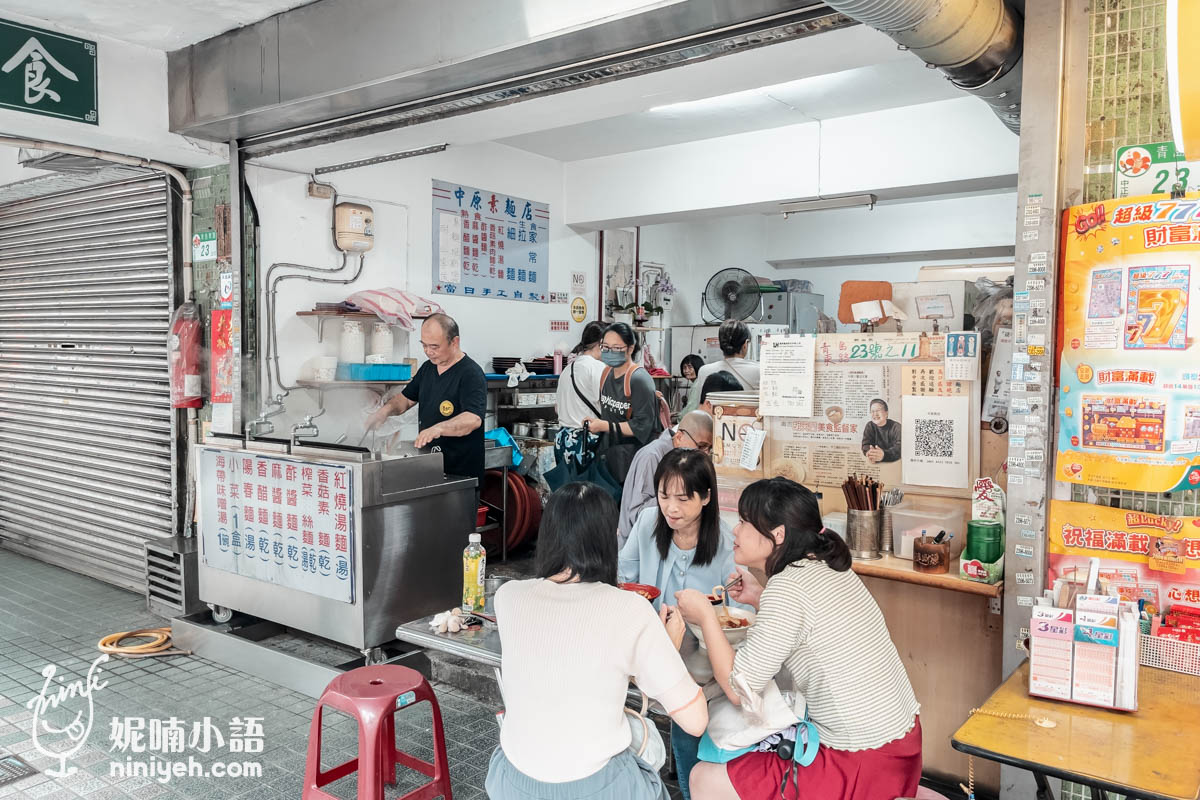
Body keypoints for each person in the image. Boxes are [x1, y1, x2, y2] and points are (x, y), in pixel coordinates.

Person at [676, 477, 921, 800]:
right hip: (903, 745)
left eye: (745, 522)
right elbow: (807, 622)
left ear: (778, 535)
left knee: (704, 777)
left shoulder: (788, 588)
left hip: (860, 760)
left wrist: (706, 617)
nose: (735, 530)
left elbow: (739, 689)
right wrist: (759, 596)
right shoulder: (829, 565)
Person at [486, 482, 709, 800]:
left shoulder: (508, 597)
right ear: (608, 540)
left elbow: (568, 652)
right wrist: (667, 645)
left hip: (512, 782)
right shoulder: (630, 609)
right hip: (596, 787)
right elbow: (696, 721)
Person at [618, 449, 741, 800]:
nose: (671, 508)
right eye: (664, 496)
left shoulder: (724, 541)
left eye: (683, 499)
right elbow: (626, 575)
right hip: (651, 644)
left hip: (703, 660)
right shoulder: (648, 522)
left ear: (706, 497)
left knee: (691, 729)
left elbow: (736, 610)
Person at [365, 313, 487, 480]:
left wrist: (438, 429)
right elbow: (405, 399)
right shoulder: (428, 368)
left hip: (460, 474)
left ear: (454, 342)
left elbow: (473, 419)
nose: (428, 352)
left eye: (435, 346)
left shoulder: (470, 374)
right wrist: (384, 412)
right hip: (429, 468)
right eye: (424, 345)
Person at [617, 410, 713, 547]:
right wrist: (675, 496)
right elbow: (637, 514)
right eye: (701, 446)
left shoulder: (677, 458)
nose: (705, 454)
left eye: (709, 449)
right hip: (637, 547)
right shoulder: (652, 457)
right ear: (679, 437)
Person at [582, 322, 662, 483]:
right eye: (605, 347)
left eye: (617, 348)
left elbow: (642, 425)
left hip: (633, 460)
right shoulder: (606, 373)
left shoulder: (639, 379)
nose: (609, 352)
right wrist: (596, 424)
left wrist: (604, 426)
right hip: (610, 457)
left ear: (630, 349)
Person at [682, 320, 760, 415]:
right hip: (747, 423)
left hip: (712, 423)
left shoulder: (704, 370)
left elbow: (700, 407)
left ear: (720, 344)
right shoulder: (759, 370)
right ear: (745, 344)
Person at [556, 321, 607, 429]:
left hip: (565, 436)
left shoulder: (567, 369)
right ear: (601, 343)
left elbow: (557, 408)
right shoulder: (598, 368)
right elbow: (610, 408)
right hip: (588, 435)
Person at [861, 398, 902, 464]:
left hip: (893, 463)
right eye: (872, 411)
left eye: (878, 410)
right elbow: (865, 444)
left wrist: (884, 455)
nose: (875, 414)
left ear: (886, 413)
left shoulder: (896, 427)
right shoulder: (870, 426)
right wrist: (870, 453)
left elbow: (900, 447)